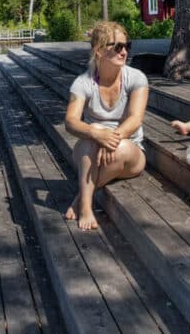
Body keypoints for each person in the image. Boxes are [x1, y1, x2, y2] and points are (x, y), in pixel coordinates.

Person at [64, 21, 148, 230]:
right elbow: (71, 121)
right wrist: (96, 133)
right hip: (91, 151)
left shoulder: (136, 78)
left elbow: (135, 119)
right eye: (117, 46)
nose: (124, 51)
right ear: (99, 51)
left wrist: (111, 139)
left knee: (120, 148)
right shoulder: (83, 82)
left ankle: (82, 200)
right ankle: (87, 206)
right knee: (89, 141)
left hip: (129, 150)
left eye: (127, 46)